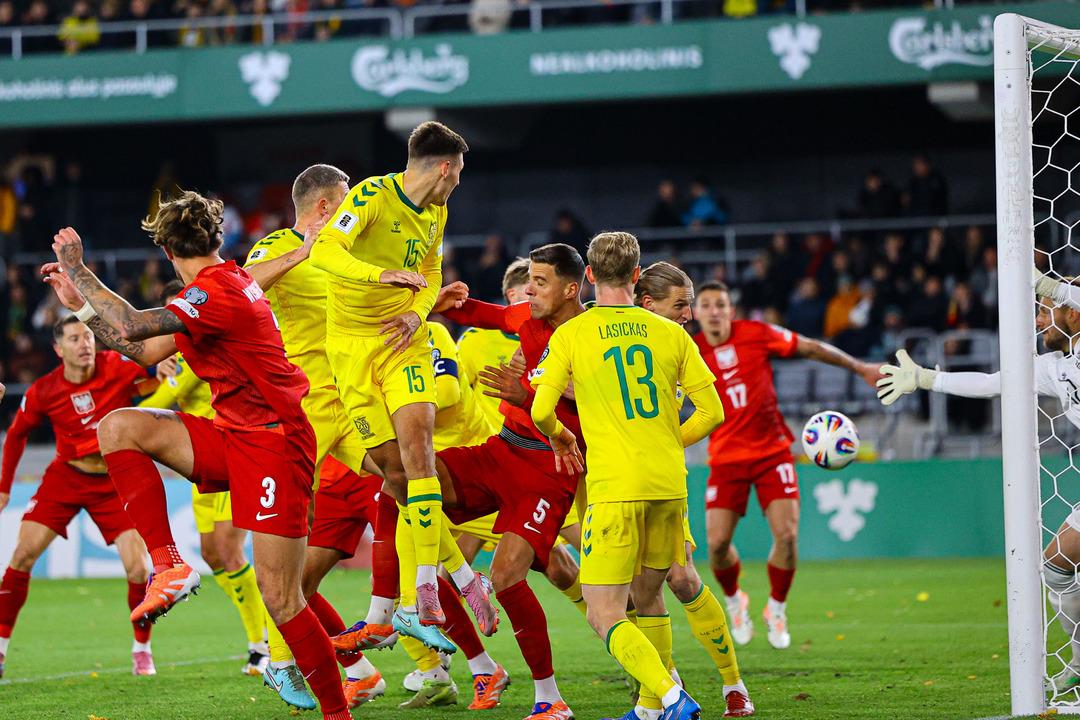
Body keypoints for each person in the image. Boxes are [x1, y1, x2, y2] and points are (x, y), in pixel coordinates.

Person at [41, 194, 351, 720]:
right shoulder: (215, 289)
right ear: (218, 239)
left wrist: (80, 271)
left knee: (282, 597)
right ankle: (168, 565)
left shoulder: (217, 292)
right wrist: (83, 305)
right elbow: (144, 350)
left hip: (276, 446)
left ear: (164, 248)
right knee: (117, 426)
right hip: (236, 436)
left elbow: (136, 328)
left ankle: (338, 710)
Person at [310, 122, 497, 639]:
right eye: (457, 173)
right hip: (350, 351)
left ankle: (426, 589)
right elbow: (325, 251)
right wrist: (379, 276)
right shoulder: (372, 194)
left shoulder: (436, 211)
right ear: (443, 168)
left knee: (419, 454)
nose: (458, 182)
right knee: (394, 475)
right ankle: (462, 574)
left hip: (403, 343)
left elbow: (433, 272)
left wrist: (418, 314)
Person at [531, 231, 723, 720]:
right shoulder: (672, 333)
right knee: (652, 593)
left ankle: (673, 694)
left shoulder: (572, 333)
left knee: (603, 611)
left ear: (589, 275)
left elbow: (539, 410)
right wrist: (665, 441)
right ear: (638, 277)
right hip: (668, 484)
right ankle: (651, 706)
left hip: (615, 488)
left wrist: (559, 434)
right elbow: (712, 411)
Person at [883, 274, 1080, 694]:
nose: (1040, 321)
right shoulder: (1054, 367)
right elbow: (994, 384)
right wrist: (927, 380)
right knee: (1056, 564)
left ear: (1073, 313)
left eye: (1045, 310)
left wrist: (1052, 287)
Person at [693, 281, 880, 651]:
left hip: (771, 452)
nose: (714, 311)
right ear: (696, 312)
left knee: (788, 536)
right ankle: (736, 601)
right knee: (716, 544)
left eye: (721, 304)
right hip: (726, 458)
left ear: (733, 310)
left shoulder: (757, 334)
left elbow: (810, 347)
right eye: (707, 305)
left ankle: (776, 608)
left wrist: (859, 368)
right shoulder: (688, 351)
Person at [0, 317, 156, 678]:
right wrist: (5, 487)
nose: (85, 344)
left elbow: (154, 381)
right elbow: (17, 433)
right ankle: (2, 648)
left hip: (114, 480)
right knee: (22, 556)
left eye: (88, 336)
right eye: (75, 338)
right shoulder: (44, 390)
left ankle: (142, 649)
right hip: (66, 476)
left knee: (139, 568)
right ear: (58, 349)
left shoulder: (117, 368)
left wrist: (160, 370)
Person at [634, 262, 754, 717]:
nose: (689, 314)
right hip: (605, 477)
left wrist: (664, 440)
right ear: (648, 303)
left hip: (661, 476)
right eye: (681, 304)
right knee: (626, 593)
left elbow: (711, 410)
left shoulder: (679, 343)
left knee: (681, 578)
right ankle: (663, 687)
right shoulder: (597, 330)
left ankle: (732, 685)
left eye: (689, 304)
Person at [140, 279, 270, 678]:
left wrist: (120, 415)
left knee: (230, 552)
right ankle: (261, 631)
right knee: (214, 555)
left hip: (230, 451)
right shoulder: (179, 352)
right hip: (202, 462)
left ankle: (262, 643)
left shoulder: (199, 346)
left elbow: (158, 405)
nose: (169, 324)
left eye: (173, 316)